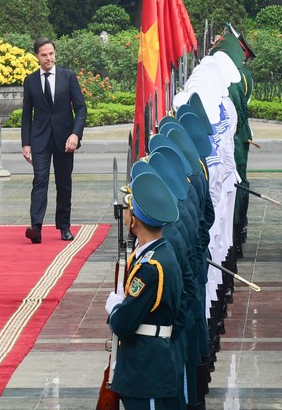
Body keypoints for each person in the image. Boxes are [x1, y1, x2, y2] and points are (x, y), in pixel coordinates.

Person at [105, 170, 184, 409]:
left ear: (135, 219)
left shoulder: (150, 267)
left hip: (146, 372)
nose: (125, 214)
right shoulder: (162, 252)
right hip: (153, 363)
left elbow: (123, 324)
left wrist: (116, 309)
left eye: (127, 209)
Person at [21, 37, 87, 243]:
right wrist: (25, 143)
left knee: (63, 183)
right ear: (37, 57)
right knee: (40, 180)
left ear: (55, 54)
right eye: (43, 55)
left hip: (65, 139)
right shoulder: (30, 80)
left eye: (51, 54)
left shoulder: (68, 77)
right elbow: (26, 114)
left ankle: (64, 226)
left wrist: (75, 134)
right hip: (39, 139)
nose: (48, 58)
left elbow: (81, 108)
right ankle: (36, 226)